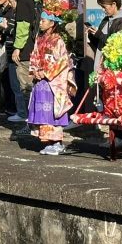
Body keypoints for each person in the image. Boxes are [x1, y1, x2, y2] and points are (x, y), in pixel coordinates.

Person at [27, 11, 76, 155]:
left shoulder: (58, 40)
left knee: (53, 112)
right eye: (41, 20)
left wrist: (45, 72)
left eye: (44, 20)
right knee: (43, 112)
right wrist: (35, 70)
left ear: (52, 23)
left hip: (53, 82)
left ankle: (57, 143)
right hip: (41, 82)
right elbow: (34, 56)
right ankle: (48, 142)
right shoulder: (39, 39)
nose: (41, 23)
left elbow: (62, 61)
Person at [8, 0, 42, 123]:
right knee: (35, 84)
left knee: (26, 86)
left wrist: (17, 48)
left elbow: (22, 26)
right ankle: (35, 119)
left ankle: (29, 121)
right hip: (37, 46)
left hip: (26, 49)